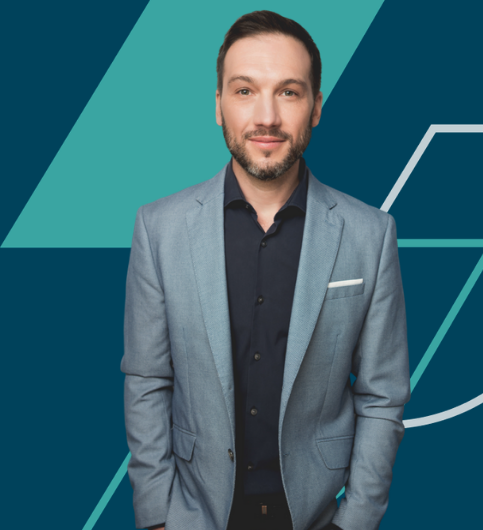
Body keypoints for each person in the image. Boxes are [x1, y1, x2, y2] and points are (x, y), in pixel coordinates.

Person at [121, 10, 410, 530]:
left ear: (317, 107)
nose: (268, 117)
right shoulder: (157, 229)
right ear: (218, 105)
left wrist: (357, 520)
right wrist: (157, 518)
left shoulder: (371, 235)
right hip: (193, 516)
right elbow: (146, 379)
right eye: (245, 91)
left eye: (290, 92)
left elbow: (382, 395)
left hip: (316, 516)